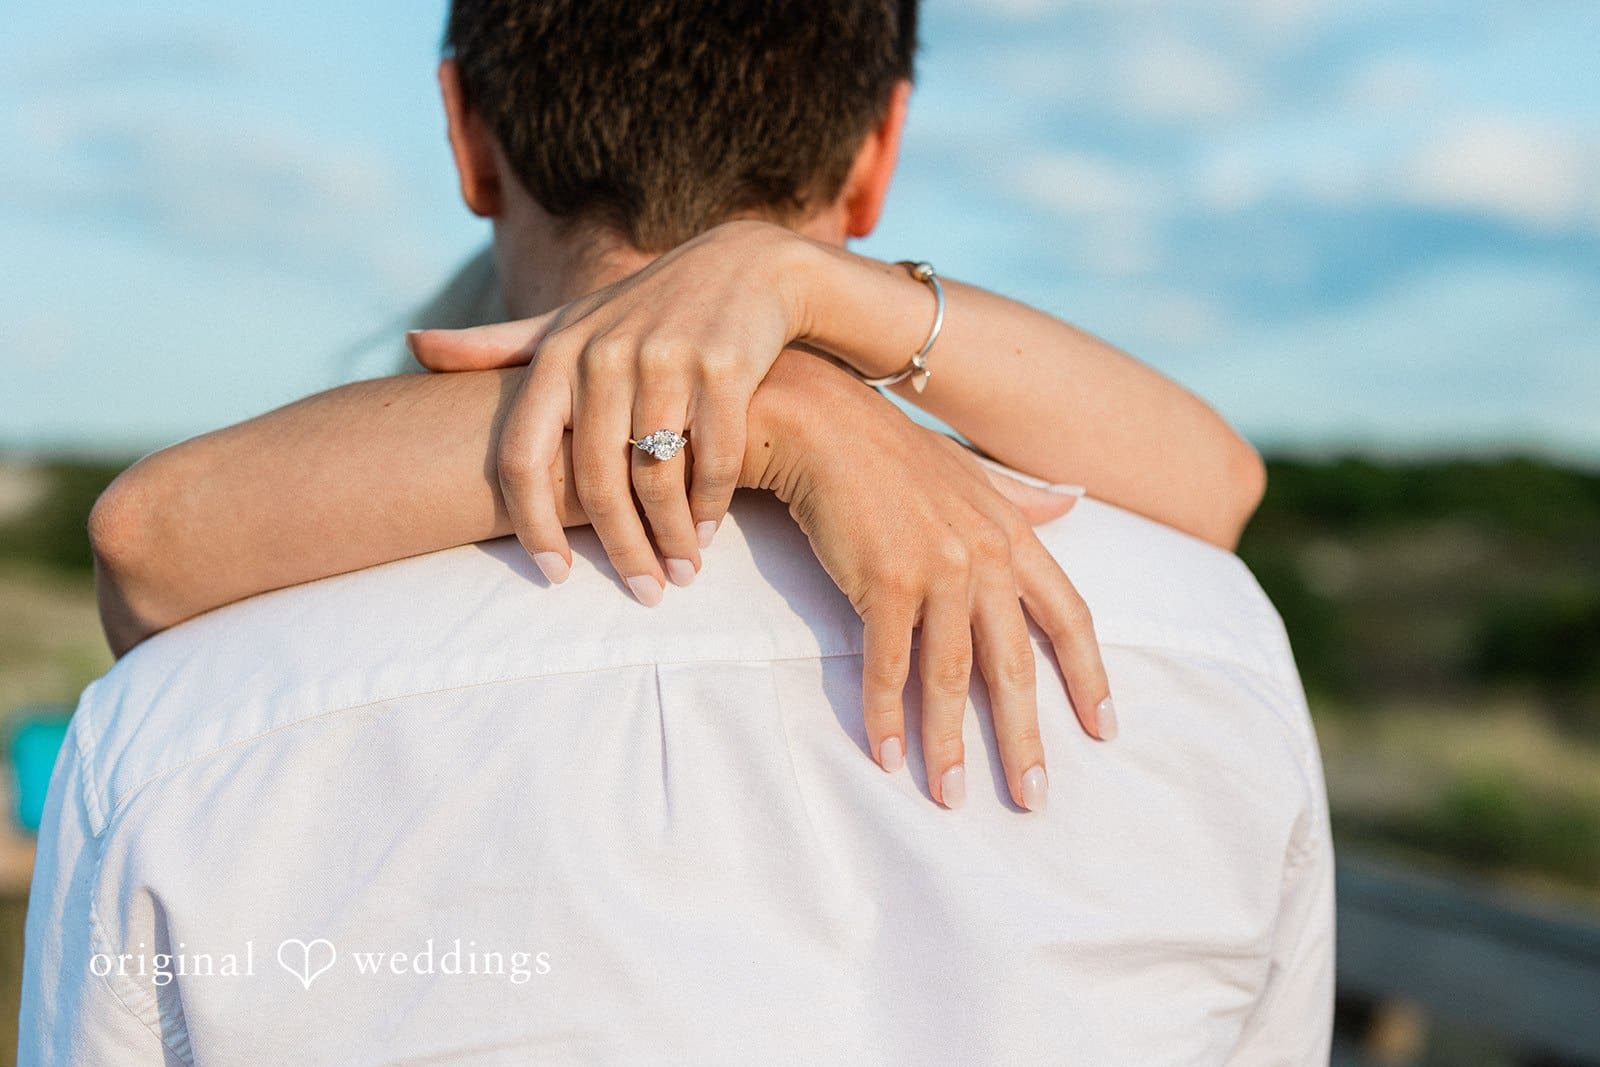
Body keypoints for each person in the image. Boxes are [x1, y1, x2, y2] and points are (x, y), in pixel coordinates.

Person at [21, 1, 1334, 1062]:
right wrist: (789, 385)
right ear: (880, 153)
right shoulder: (1210, 647)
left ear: (466, 133)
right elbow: (1221, 488)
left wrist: (773, 376)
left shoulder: (197, 712)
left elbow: (145, 537)